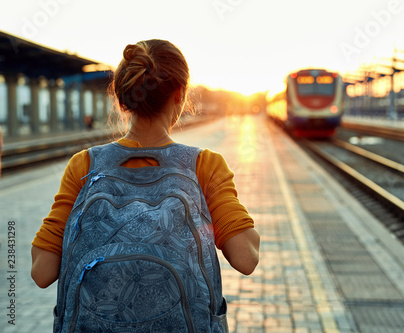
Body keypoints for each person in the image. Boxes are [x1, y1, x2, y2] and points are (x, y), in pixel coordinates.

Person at [31, 39, 260, 326]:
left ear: (122, 100)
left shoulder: (85, 165)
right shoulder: (205, 165)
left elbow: (42, 271)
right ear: (180, 94)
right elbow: (246, 258)